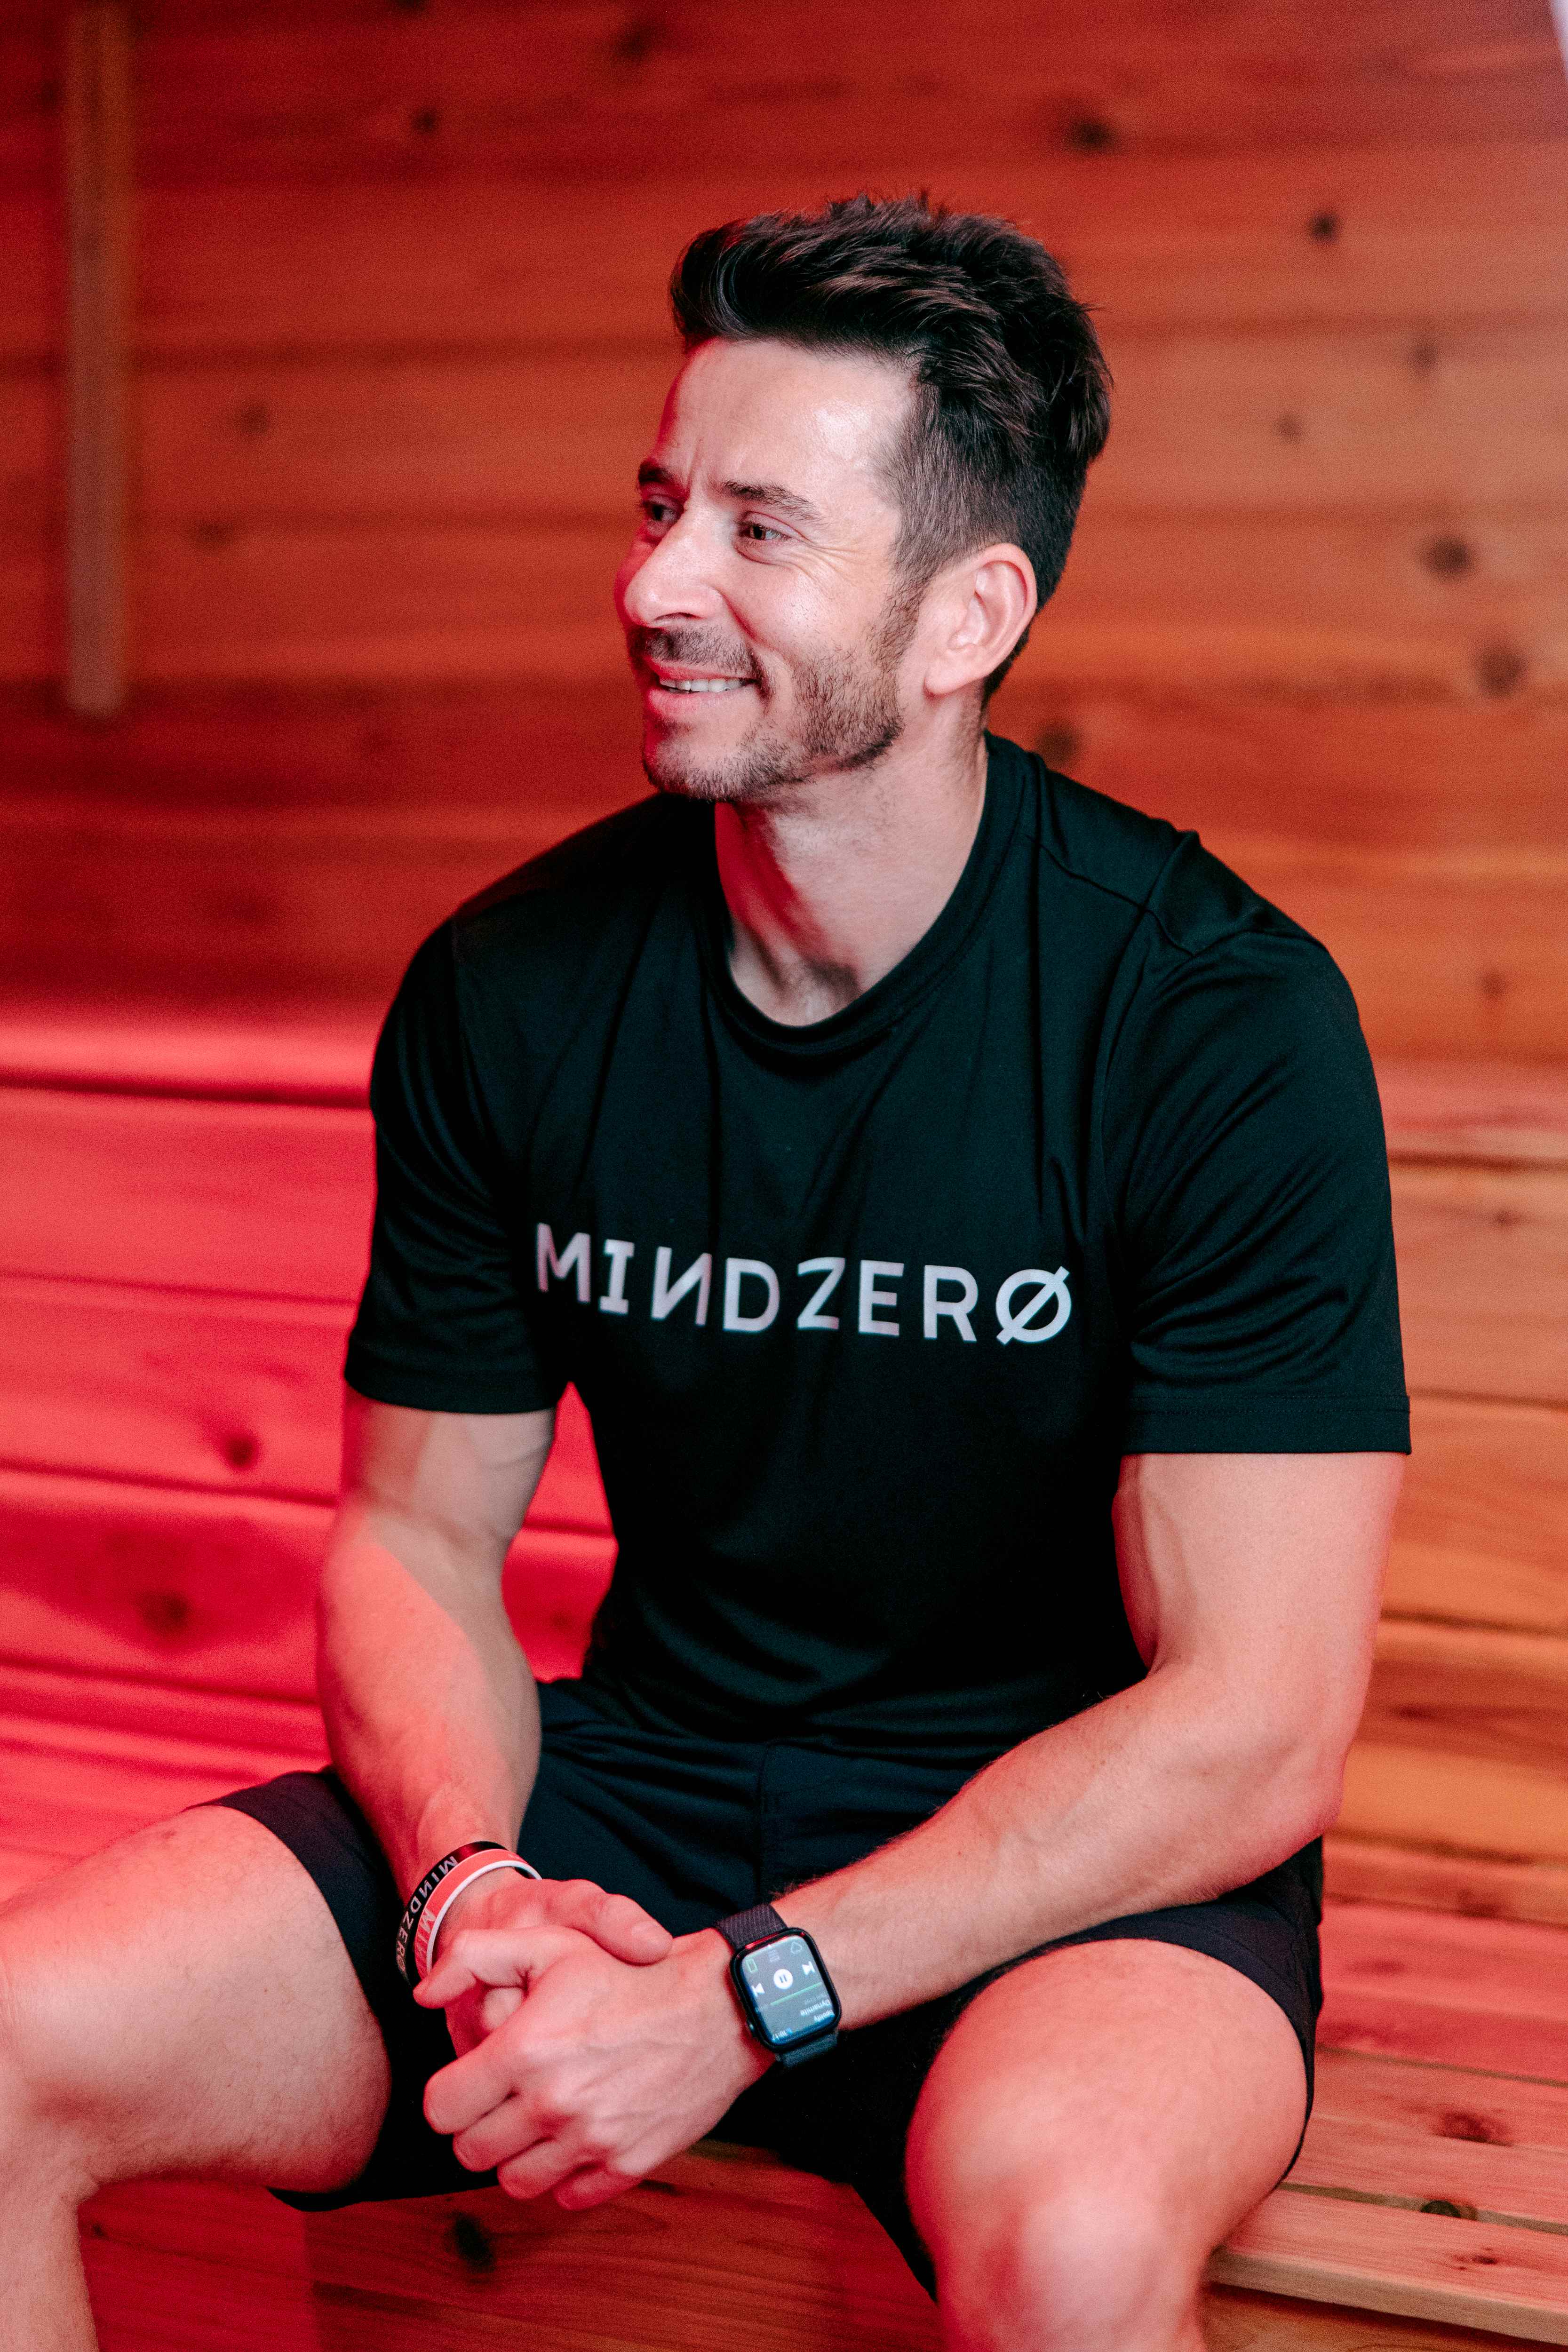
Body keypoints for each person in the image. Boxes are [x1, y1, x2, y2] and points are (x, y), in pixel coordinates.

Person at [0, 195, 1408, 2352]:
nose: (655, 585)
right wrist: (472, 1878)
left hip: (1066, 1851)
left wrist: (747, 1988)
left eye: (760, 529)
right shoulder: (514, 986)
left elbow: (1253, 1725)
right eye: (663, 504)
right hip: (639, 1783)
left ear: (966, 616)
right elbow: (412, 1534)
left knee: (1082, 2244)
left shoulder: (1210, 1018)